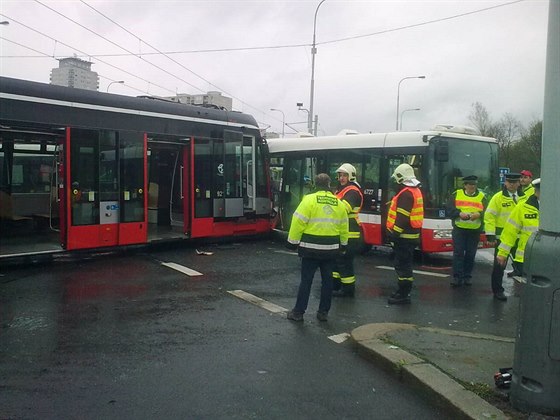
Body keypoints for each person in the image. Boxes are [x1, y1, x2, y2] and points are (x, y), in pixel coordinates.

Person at [286, 173, 349, 322]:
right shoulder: (338, 202)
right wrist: (343, 245)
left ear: (315, 184)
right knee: (327, 281)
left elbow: (298, 221)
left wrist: (292, 242)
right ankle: (323, 313)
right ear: (329, 184)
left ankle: (298, 312)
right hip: (330, 249)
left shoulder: (308, 200)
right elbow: (344, 226)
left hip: (310, 249)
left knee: (306, 280)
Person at [386, 163, 424, 305]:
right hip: (411, 235)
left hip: (404, 237)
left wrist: (393, 235)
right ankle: (402, 291)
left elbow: (402, 218)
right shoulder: (415, 190)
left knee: (403, 267)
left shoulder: (406, 193)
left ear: (400, 177)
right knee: (404, 265)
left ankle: (403, 294)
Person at [484, 172, 525, 301]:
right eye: (509, 182)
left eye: (514, 182)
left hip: (521, 237)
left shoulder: (525, 198)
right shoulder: (498, 198)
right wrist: (490, 236)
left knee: (522, 265)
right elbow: (489, 216)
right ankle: (497, 290)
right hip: (503, 237)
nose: (512, 185)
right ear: (505, 183)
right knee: (499, 265)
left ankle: (526, 291)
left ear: (519, 183)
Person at [446, 175, 487, 287]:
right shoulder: (456, 195)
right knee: (458, 253)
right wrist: (459, 213)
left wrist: (479, 214)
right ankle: (457, 277)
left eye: (473, 184)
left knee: (470, 254)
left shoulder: (482, 197)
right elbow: (449, 209)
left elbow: (488, 212)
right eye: (469, 184)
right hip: (459, 229)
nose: (471, 186)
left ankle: (467, 276)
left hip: (474, 230)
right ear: (465, 185)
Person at [496, 178, 540, 276]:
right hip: (527, 257)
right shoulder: (522, 208)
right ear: (536, 191)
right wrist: (503, 253)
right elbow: (510, 231)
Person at [332, 163, 364, 298]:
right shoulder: (341, 190)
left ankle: (348, 290)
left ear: (351, 176)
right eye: (340, 175)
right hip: (342, 232)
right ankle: (335, 285)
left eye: (344, 175)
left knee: (345, 262)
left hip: (350, 233)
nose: (341, 178)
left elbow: (343, 209)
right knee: (337, 261)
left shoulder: (352, 191)